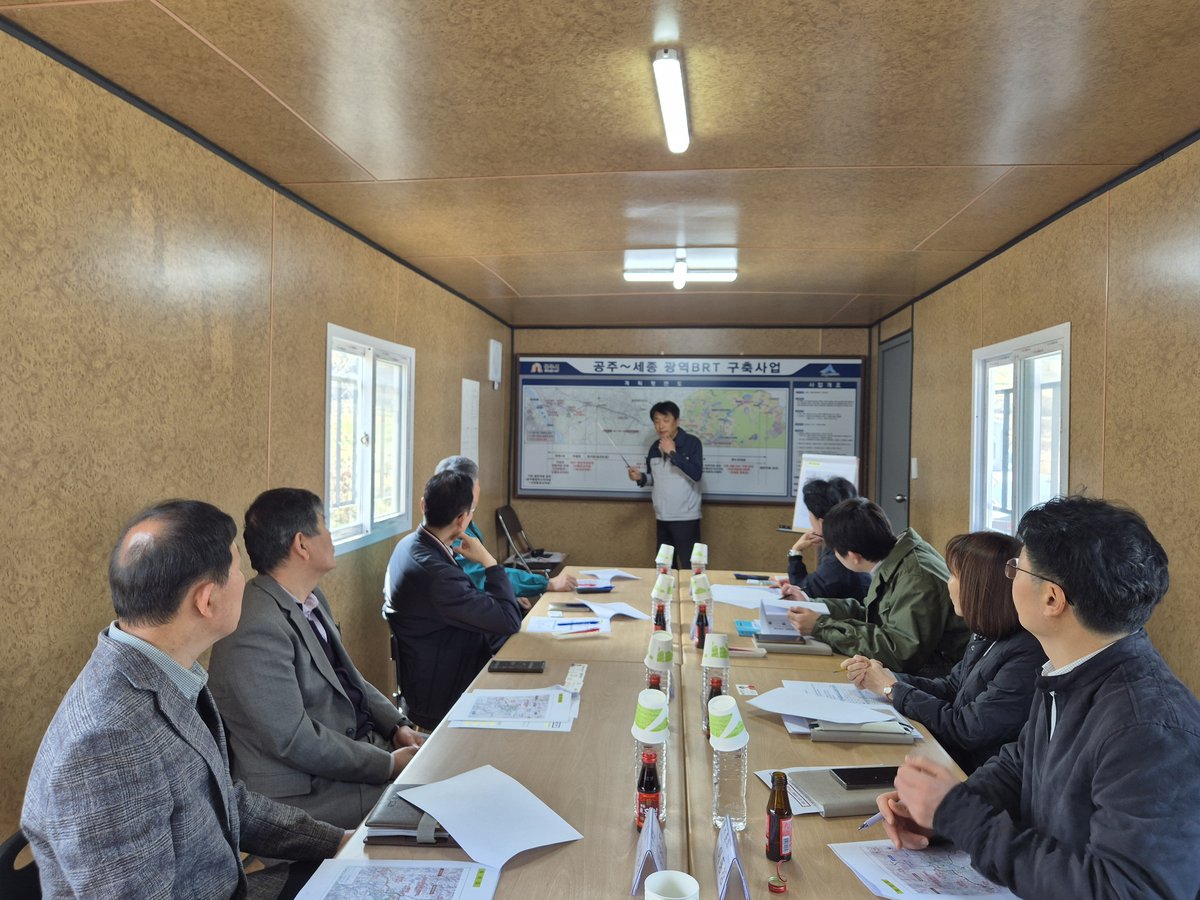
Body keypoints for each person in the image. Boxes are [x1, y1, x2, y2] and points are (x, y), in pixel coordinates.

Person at [877, 497, 1200, 899]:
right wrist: (938, 812)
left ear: (1052, 599)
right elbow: (1021, 767)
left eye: (1016, 568)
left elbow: (1124, 891)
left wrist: (961, 816)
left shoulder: (1148, 728)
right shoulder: (1071, 671)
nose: (1009, 577)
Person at [22, 500, 346, 899]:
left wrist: (338, 842)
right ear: (206, 600)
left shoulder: (163, 669)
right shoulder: (108, 743)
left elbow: (224, 800)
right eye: (237, 569)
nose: (244, 580)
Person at [208, 488, 425, 830]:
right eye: (325, 526)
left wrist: (397, 726)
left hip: (355, 754)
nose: (331, 536)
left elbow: (349, 678)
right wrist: (387, 765)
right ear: (302, 544)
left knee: (452, 760)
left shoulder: (310, 597)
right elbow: (294, 739)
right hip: (307, 793)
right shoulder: (255, 626)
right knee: (440, 801)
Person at [843, 531, 1045, 772]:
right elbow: (951, 689)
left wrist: (892, 690)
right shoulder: (987, 633)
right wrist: (885, 676)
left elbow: (966, 728)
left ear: (978, 587)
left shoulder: (1027, 652)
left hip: (968, 773)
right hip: (949, 760)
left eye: (953, 575)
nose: (947, 583)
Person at [383, 470, 523, 729]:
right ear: (462, 519)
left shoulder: (408, 545)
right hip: (446, 690)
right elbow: (509, 621)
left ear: (423, 505)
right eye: (472, 512)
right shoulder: (437, 576)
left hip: (431, 667)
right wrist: (489, 562)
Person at [786, 498, 969, 676]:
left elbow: (900, 653)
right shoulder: (899, 556)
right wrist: (811, 604)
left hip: (942, 676)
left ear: (853, 556)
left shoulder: (915, 579)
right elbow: (872, 615)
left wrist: (821, 626)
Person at [434, 455, 576, 606]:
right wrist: (547, 583)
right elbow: (481, 575)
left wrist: (508, 591)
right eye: (478, 483)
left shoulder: (458, 520)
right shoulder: (454, 531)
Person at [626, 400, 703, 569]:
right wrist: (640, 477)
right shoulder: (654, 447)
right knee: (665, 568)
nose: (661, 425)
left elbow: (696, 474)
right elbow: (655, 479)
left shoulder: (692, 443)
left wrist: (673, 453)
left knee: (691, 568)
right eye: (656, 421)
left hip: (686, 518)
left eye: (666, 420)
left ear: (677, 421)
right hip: (662, 517)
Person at [780, 476, 871, 602]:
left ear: (822, 522)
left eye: (810, 514)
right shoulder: (854, 541)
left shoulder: (838, 558)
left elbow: (803, 593)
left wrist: (795, 552)